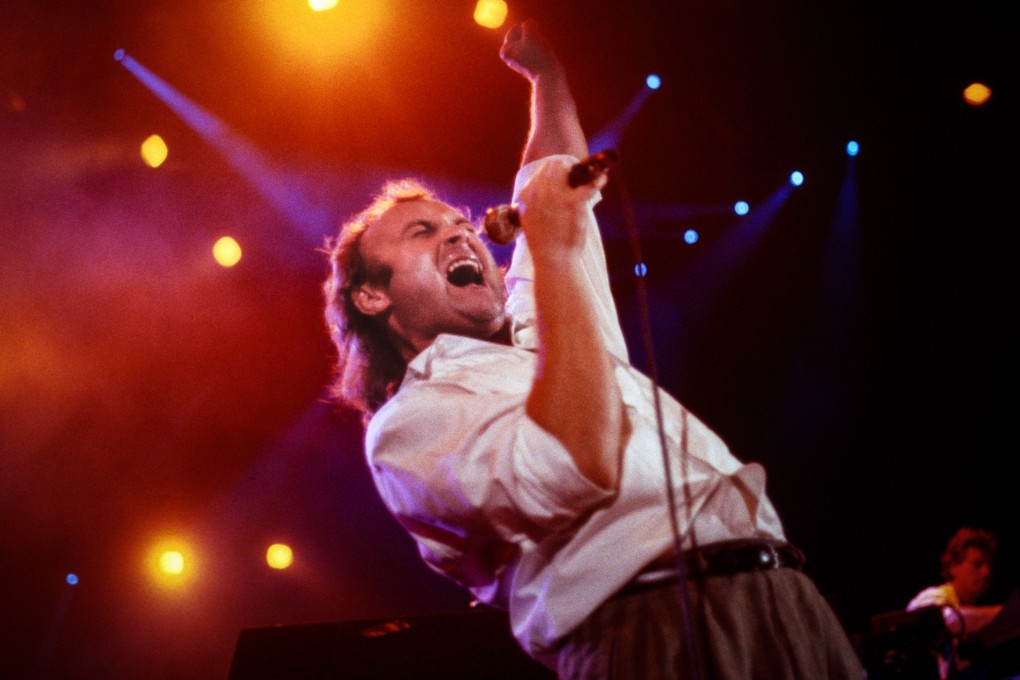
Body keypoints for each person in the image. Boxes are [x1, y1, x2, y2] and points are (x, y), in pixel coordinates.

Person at [322, 19, 865, 680]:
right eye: (423, 230)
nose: (462, 234)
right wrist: (550, 245)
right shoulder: (408, 426)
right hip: (654, 624)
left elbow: (551, 183)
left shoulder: (537, 329)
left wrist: (547, 80)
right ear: (372, 297)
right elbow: (572, 464)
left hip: (786, 595)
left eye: (463, 223)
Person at [907, 527, 1003, 679]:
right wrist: (1008, 613)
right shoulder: (931, 597)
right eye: (977, 564)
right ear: (953, 567)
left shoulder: (975, 614)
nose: (987, 573)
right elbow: (948, 621)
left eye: (989, 566)